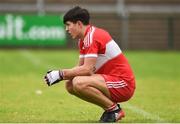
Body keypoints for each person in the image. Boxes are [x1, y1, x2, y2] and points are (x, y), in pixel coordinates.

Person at [44, 6, 136, 123]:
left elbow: (87, 70)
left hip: (123, 84)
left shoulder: (92, 37)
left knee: (78, 82)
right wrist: (62, 76)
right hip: (110, 82)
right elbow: (80, 68)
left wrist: (61, 74)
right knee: (70, 84)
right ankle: (111, 110)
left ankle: (113, 110)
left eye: (68, 25)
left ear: (78, 24)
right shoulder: (84, 39)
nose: (66, 29)